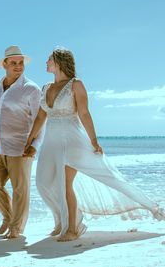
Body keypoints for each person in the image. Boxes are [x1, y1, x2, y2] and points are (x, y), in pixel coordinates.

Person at [23, 47, 164, 241]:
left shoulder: (76, 84)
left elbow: (84, 113)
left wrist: (94, 140)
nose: (46, 62)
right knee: (43, 183)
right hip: (51, 142)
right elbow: (40, 116)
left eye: (49, 59)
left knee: (65, 184)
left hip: (72, 140)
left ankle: (72, 228)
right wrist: (30, 138)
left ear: (59, 62)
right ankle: (63, 220)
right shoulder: (46, 87)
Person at [0, 45, 44, 239]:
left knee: (20, 190)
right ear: (4, 64)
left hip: (21, 148)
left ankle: (16, 228)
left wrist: (34, 145)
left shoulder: (31, 89)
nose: (18, 66)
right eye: (13, 63)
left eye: (21, 63)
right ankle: (7, 216)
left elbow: (40, 119)